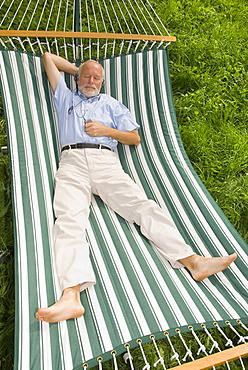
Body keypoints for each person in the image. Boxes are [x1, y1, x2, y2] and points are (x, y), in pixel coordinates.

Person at [36, 52, 237, 323]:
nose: (91, 80)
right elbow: (49, 58)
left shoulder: (112, 104)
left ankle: (193, 261)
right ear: (77, 78)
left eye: (96, 77)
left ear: (103, 82)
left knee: (142, 207)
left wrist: (106, 131)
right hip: (71, 161)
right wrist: (77, 69)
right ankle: (71, 295)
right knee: (68, 221)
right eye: (86, 76)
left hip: (105, 160)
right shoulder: (65, 97)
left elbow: (134, 138)